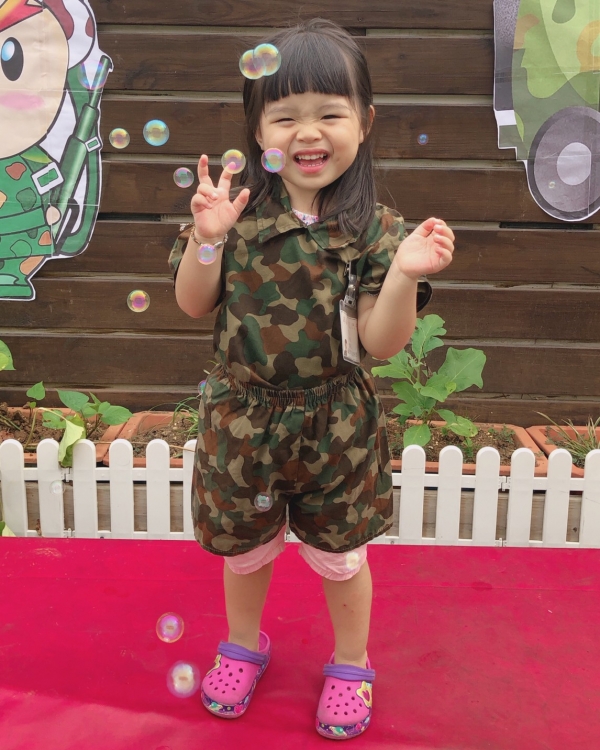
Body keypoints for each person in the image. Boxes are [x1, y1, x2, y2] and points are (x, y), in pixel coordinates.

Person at [169, 18, 454, 740]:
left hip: (337, 428)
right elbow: (192, 303)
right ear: (257, 129)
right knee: (244, 551)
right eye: (285, 115)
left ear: (365, 122)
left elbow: (382, 342)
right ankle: (243, 646)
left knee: (341, 555)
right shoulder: (234, 218)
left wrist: (403, 276)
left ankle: (351, 662)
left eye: (329, 113)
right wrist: (206, 243)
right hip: (242, 420)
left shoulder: (377, 232)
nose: (308, 132)